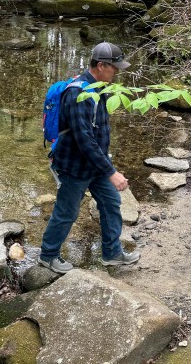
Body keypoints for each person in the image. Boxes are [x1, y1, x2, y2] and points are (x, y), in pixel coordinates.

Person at [38, 41, 140, 274]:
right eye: (114, 68)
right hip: (74, 167)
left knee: (111, 203)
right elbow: (84, 139)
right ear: (101, 66)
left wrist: (106, 166)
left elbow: (96, 133)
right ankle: (48, 256)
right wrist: (112, 172)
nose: (117, 73)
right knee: (67, 212)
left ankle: (112, 253)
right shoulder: (78, 93)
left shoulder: (98, 88)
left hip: (95, 165)